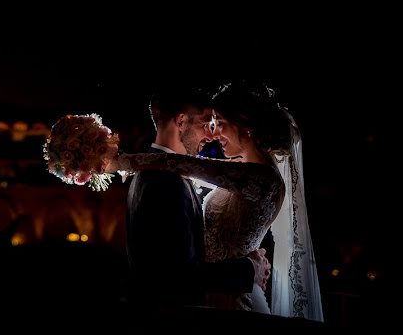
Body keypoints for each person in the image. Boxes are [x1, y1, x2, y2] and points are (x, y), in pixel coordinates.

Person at [111, 83, 323, 320]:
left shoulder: (264, 179)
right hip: (210, 295)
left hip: (235, 298)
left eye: (219, 123)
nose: (214, 134)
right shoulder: (226, 172)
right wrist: (250, 267)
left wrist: (122, 162)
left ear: (245, 126)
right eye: (210, 124)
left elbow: (183, 165)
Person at [120, 86, 270, 309]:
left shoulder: (153, 171)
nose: (211, 136)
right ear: (181, 122)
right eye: (205, 124)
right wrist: (249, 269)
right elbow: (179, 275)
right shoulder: (164, 182)